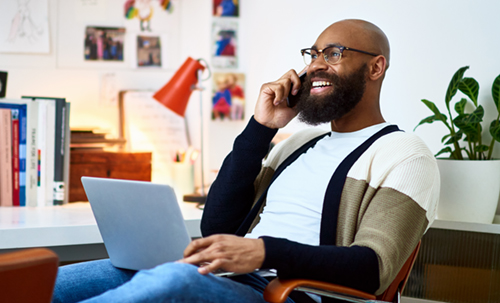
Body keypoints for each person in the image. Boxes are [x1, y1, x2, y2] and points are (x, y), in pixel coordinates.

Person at [52, 19, 439, 303]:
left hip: (286, 295)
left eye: (334, 54)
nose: (316, 65)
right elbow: (217, 223)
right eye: (313, 54)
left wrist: (263, 252)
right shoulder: (298, 143)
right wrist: (260, 128)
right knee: (56, 281)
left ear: (376, 67)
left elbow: (372, 268)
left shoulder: (405, 155)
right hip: (226, 277)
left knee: (171, 284)